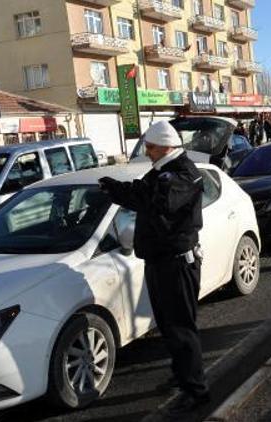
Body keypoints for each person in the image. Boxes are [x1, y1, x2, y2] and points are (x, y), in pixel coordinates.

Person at [98, 121, 210, 414]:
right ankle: (183, 374)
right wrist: (114, 189)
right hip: (159, 263)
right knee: (169, 325)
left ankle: (196, 391)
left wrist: (128, 193)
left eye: (150, 146)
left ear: (165, 146)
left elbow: (161, 202)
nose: (147, 152)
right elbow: (139, 191)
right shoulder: (161, 171)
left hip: (177, 264)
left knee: (181, 328)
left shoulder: (184, 173)